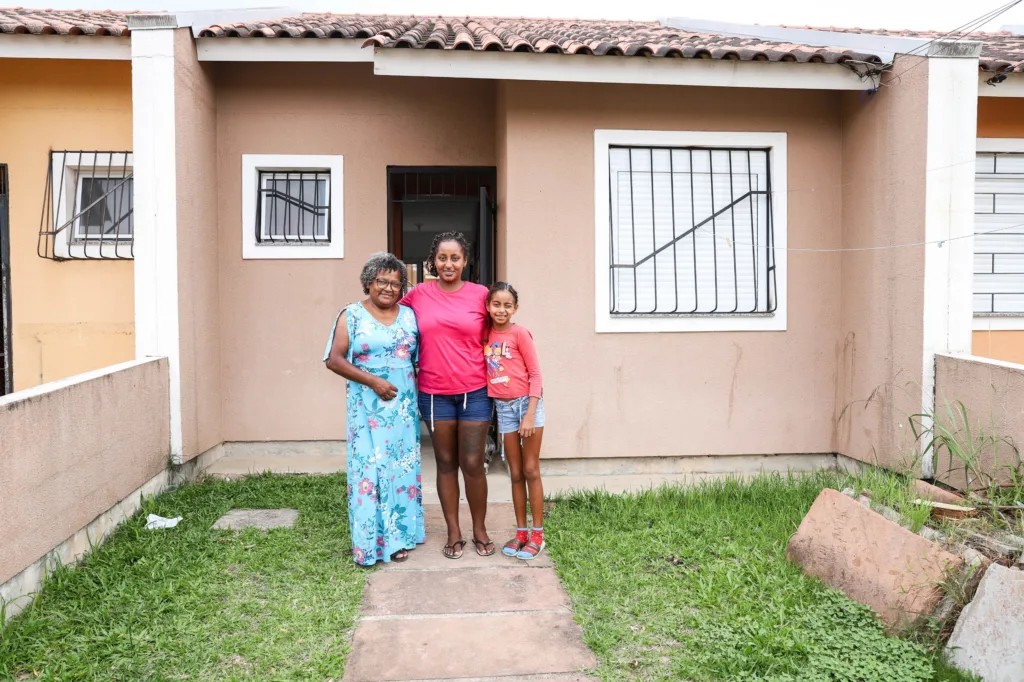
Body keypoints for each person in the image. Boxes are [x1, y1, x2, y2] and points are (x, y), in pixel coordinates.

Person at [324, 252, 424, 566]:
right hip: (366, 407)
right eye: (382, 281)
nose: (389, 288)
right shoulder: (351, 314)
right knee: (369, 473)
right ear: (369, 282)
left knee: (399, 470)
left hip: (402, 409)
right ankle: (369, 544)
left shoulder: (409, 316)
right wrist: (373, 381)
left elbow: (416, 360)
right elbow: (334, 359)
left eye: (396, 283)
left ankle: (399, 537)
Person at [400, 231, 494, 559]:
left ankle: (479, 528)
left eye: (455, 258)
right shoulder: (419, 295)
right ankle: (453, 530)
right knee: (445, 463)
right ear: (433, 261)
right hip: (434, 393)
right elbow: (389, 318)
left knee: (472, 463)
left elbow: (500, 329)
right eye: (442, 258)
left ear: (465, 261)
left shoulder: (482, 294)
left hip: (475, 391)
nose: (448, 264)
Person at [483, 282, 547, 560]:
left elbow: (536, 374)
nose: (501, 309)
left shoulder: (519, 334)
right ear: (488, 306)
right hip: (504, 409)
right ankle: (521, 532)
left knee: (531, 469)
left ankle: (538, 535)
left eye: (507, 305)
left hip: (526, 406)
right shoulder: (484, 335)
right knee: (515, 471)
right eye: (496, 304)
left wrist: (530, 413)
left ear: (515, 308)